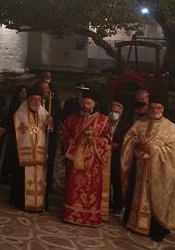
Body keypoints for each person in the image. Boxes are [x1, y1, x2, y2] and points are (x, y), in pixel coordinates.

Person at [121, 95, 174, 242]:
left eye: (158, 108)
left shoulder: (170, 127)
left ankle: (156, 229)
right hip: (139, 168)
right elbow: (129, 138)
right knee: (135, 193)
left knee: (155, 197)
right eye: (152, 107)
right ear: (148, 107)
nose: (155, 110)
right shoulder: (140, 122)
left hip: (158, 172)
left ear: (163, 109)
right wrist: (137, 144)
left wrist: (153, 149)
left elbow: (173, 151)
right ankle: (133, 222)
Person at [60, 88, 111, 226]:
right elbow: (64, 132)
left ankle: (89, 217)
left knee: (91, 189)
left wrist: (94, 141)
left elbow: (108, 140)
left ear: (94, 104)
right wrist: (70, 142)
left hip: (93, 162)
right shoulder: (72, 117)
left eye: (88, 103)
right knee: (73, 186)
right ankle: (70, 214)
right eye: (83, 103)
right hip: (75, 158)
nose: (85, 106)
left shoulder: (103, 120)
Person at [9, 85, 52, 212]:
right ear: (28, 100)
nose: (36, 102)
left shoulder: (44, 113)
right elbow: (16, 135)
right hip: (24, 154)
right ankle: (22, 203)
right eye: (34, 99)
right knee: (23, 179)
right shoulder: (19, 114)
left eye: (39, 99)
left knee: (40, 179)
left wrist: (51, 124)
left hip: (40, 153)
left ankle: (39, 203)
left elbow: (49, 131)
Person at [107, 101, 130, 216]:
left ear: (121, 114)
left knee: (117, 183)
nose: (114, 113)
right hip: (104, 157)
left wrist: (118, 146)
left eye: (116, 112)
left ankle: (118, 206)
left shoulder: (125, 127)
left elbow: (128, 143)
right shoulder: (103, 122)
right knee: (105, 182)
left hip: (117, 158)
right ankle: (106, 203)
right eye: (112, 111)